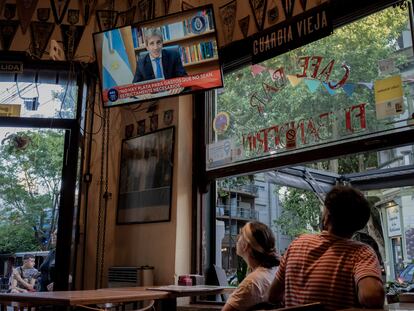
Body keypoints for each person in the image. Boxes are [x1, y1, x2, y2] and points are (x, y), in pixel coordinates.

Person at [268, 185, 385, 310]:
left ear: (327, 217)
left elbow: (272, 296)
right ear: (360, 223)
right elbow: (372, 297)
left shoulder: (296, 245)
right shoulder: (361, 253)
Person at [222, 221, 280, 311]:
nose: (237, 237)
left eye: (241, 234)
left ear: (245, 245)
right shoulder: (275, 272)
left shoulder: (251, 283)